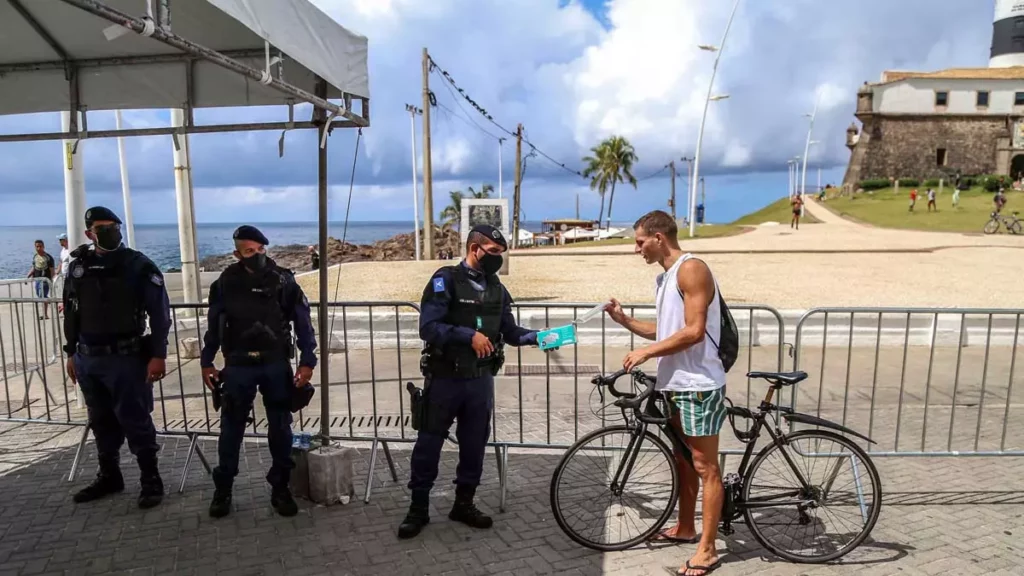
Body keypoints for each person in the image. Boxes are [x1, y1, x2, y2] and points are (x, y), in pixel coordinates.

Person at [398, 225, 541, 539]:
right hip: (445, 378)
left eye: (500, 255)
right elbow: (429, 327)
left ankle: (464, 503)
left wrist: (539, 338)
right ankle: (418, 509)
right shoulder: (445, 280)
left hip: (480, 381)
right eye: (493, 253)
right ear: (475, 248)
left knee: (474, 446)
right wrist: (468, 335)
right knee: (429, 444)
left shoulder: (496, 288)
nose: (497, 260)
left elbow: (510, 331)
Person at [605, 210, 727, 576]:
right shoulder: (665, 279)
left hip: (699, 384)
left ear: (659, 238)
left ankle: (707, 550)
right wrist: (625, 321)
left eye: (640, 241)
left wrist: (646, 353)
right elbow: (666, 330)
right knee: (683, 460)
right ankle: (686, 527)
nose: (636, 249)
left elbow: (693, 331)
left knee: (706, 468)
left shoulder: (692, 269)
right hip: (675, 383)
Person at [200, 225, 317, 518]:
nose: (257, 256)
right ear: (237, 253)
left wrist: (307, 361)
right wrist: (206, 360)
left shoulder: (283, 280)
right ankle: (223, 489)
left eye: (260, 250)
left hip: (275, 364)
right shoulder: (225, 283)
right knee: (231, 430)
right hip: (238, 366)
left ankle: (281, 488)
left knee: (280, 429)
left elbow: (303, 323)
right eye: (249, 252)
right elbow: (214, 326)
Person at [63, 206, 170, 509]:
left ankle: (151, 479)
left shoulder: (137, 265)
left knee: (135, 420)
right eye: (102, 227)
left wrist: (159, 355)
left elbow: (160, 316)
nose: (110, 231)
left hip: (126, 358)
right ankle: (109, 476)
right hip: (88, 359)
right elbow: (71, 313)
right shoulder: (78, 268)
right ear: (89, 234)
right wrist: (70, 352)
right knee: (100, 421)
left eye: (114, 226)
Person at [27, 239, 56, 318]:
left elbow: (52, 271)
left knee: (42, 296)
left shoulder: (48, 258)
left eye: (40, 246)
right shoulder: (35, 256)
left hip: (45, 280)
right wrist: (28, 276)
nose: (39, 248)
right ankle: (48, 300)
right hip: (37, 279)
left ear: (43, 247)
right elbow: (34, 267)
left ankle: (45, 314)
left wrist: (51, 280)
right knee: (39, 296)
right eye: (37, 246)